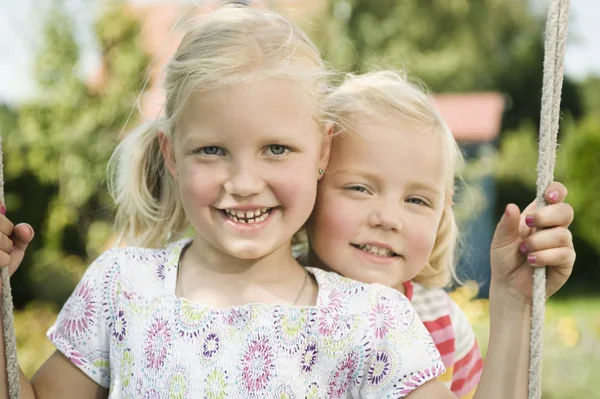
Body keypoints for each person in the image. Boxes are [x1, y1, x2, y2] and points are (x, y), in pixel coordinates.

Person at [0, 7, 575, 399]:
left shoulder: (372, 321)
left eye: (276, 148)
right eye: (211, 150)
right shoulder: (120, 288)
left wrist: (515, 304)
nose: (243, 182)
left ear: (321, 152)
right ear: (171, 155)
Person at [303, 70, 575, 398]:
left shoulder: (441, 324)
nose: (388, 219)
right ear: (309, 186)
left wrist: (515, 302)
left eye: (417, 200)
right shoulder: (268, 300)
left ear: (442, 212)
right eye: (359, 188)